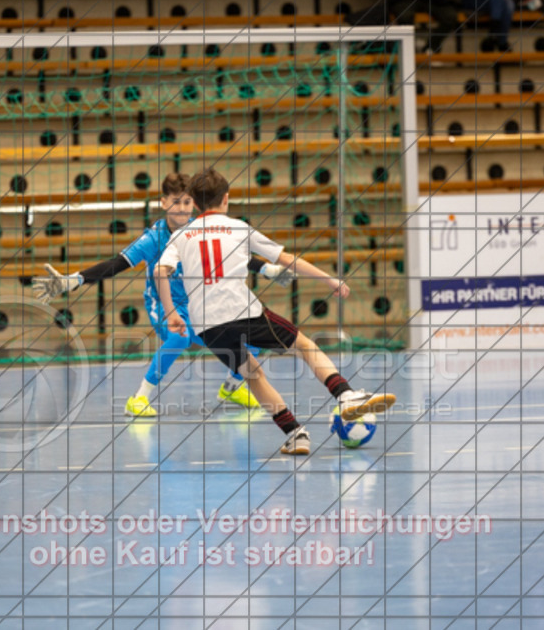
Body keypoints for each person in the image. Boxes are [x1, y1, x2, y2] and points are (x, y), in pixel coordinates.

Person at [156, 168, 396, 456]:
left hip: (207, 325)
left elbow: (161, 271)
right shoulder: (238, 227)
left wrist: (171, 313)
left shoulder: (181, 234)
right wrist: (329, 280)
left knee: (252, 374)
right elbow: (286, 259)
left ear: (194, 203)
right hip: (243, 310)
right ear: (226, 199)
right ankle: (346, 396)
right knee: (304, 345)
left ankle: (296, 434)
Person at [31, 172, 296, 418]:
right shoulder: (152, 239)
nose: (182, 208)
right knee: (178, 337)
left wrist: (269, 269)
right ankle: (138, 399)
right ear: (163, 203)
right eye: (176, 202)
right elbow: (116, 264)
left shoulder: (200, 230)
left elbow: (230, 255)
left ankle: (232, 387)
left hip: (201, 304)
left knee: (256, 335)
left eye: (187, 202)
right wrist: (74, 280)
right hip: (165, 306)